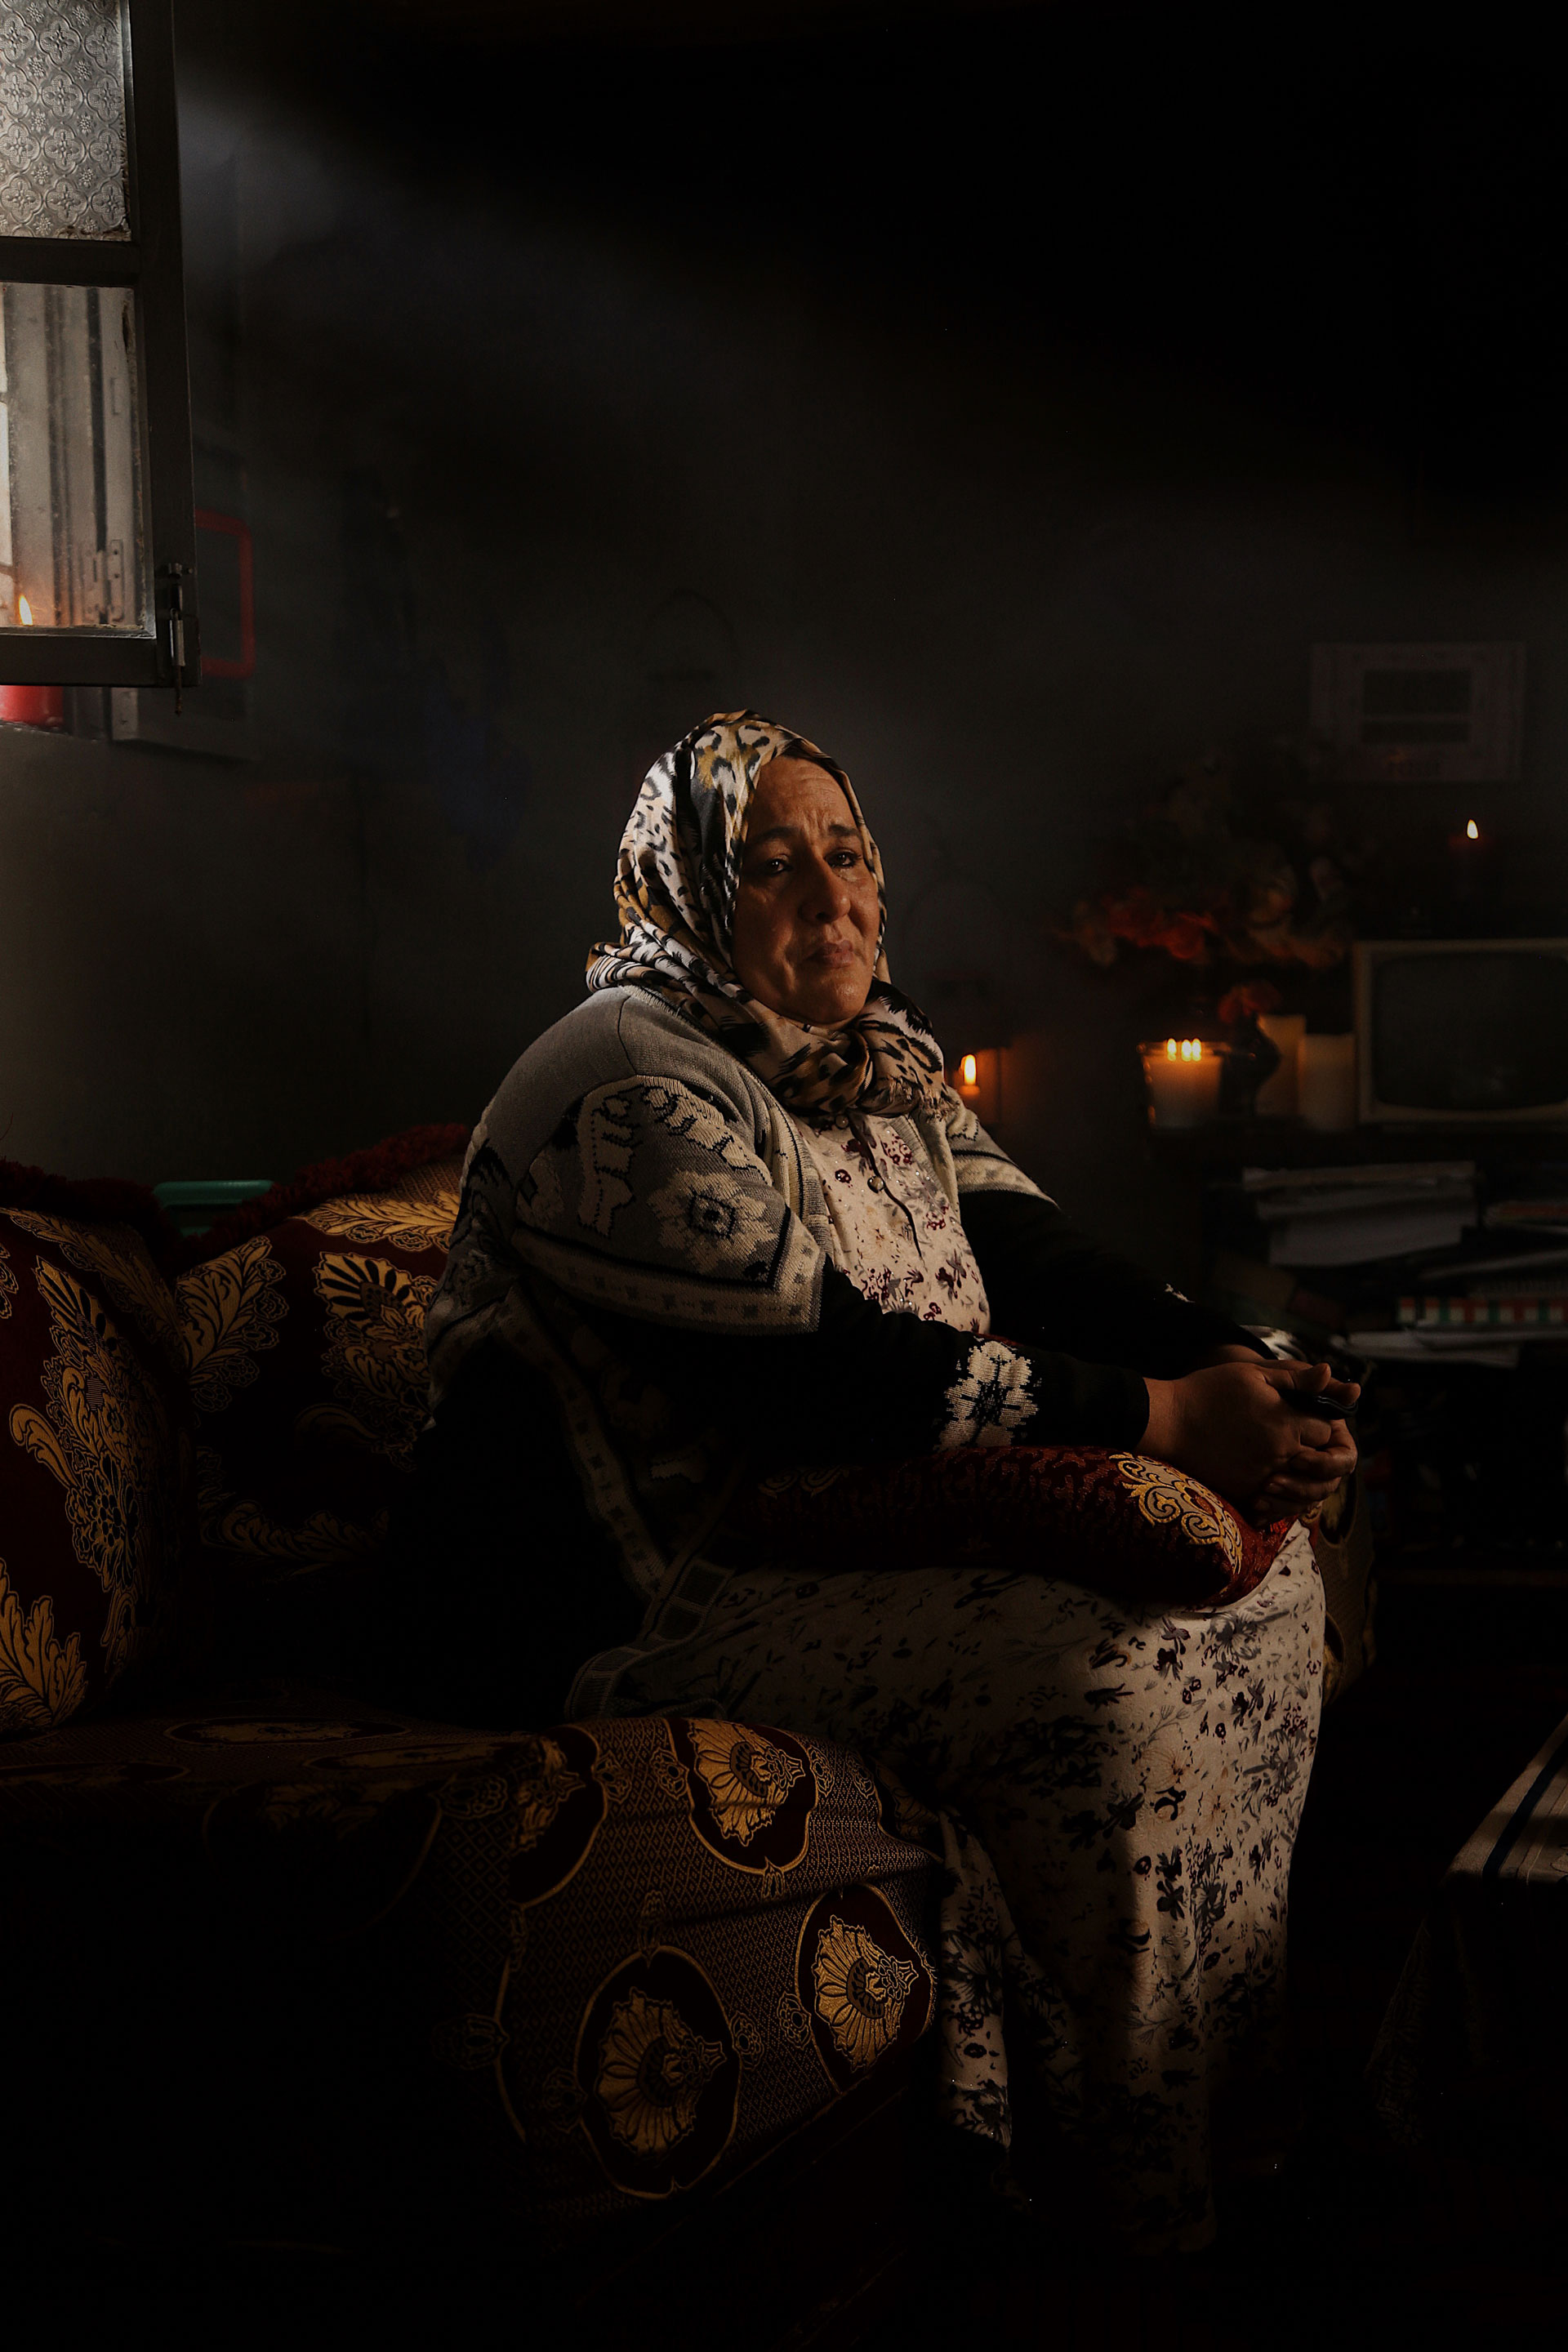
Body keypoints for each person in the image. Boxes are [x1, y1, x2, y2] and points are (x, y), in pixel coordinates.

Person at [409, 710, 1358, 2252]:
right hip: (645, 1601)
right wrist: (1167, 1424)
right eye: (771, 865)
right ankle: (1120, 2193)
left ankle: (1225, 2111)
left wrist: (1248, 1367)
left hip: (821, 1552)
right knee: (1101, 1674)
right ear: (691, 892)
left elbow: (1031, 1248)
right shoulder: (622, 1074)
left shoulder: (868, 1066)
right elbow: (816, 1373)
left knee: (1264, 1588)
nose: (830, 898)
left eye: (847, 855)